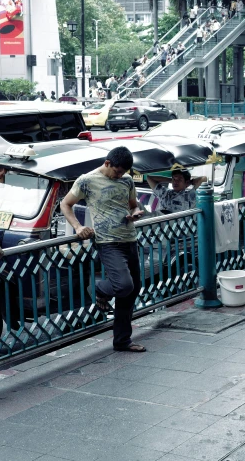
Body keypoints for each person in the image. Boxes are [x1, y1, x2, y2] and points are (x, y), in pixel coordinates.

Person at [60, 147, 146, 354]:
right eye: (117, 172)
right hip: (108, 242)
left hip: (130, 239)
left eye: (123, 173)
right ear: (107, 163)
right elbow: (65, 204)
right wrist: (78, 227)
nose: (119, 176)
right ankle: (99, 290)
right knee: (124, 285)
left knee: (133, 290)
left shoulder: (127, 181)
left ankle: (122, 341)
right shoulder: (86, 180)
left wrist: (136, 213)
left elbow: (133, 205)